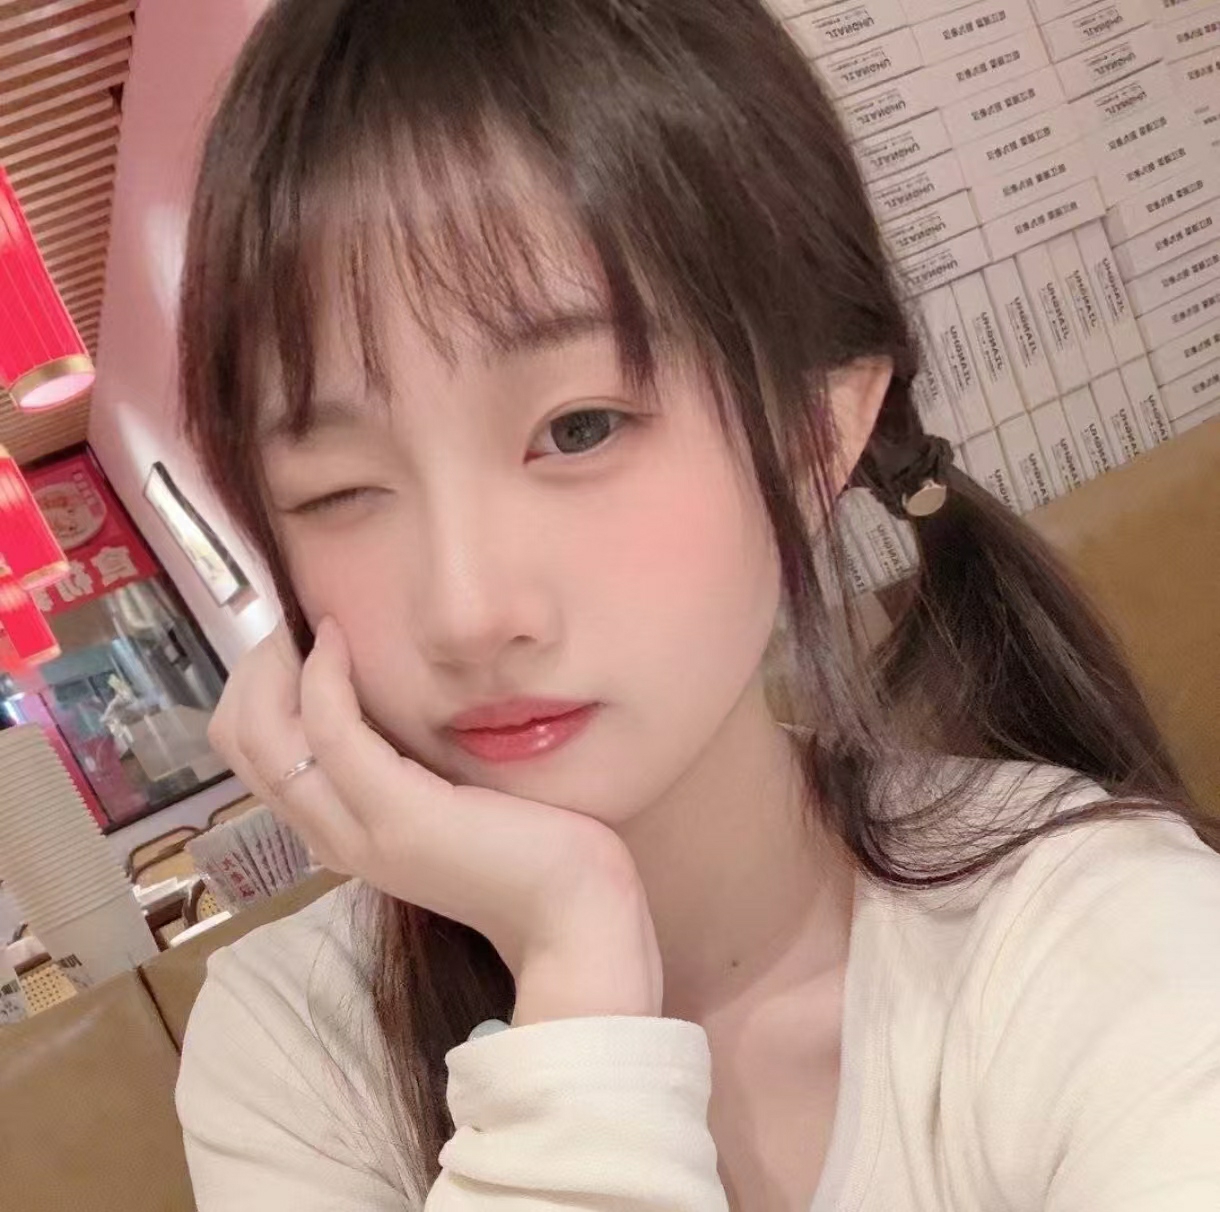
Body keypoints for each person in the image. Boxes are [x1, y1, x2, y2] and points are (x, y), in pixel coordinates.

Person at [172, 1, 1220, 1208]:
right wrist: (573, 963)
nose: (466, 611)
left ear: (816, 431)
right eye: (340, 489)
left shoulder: (1097, 938)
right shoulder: (297, 1049)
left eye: (579, 427)